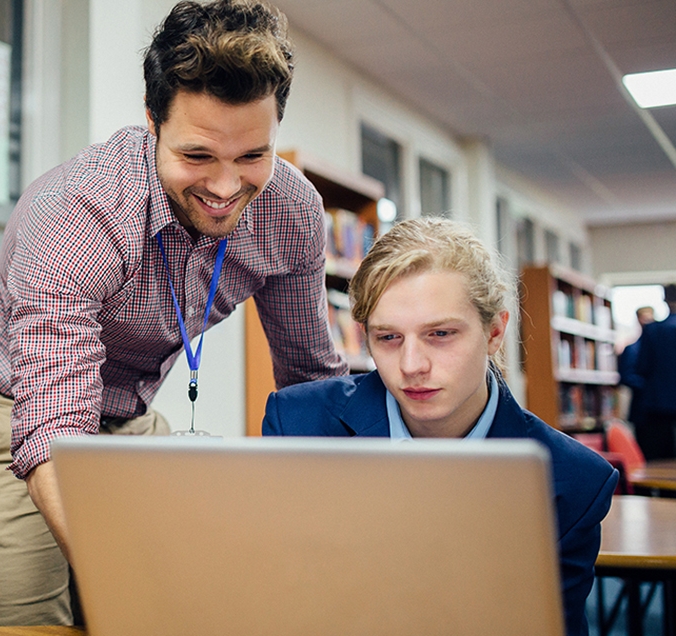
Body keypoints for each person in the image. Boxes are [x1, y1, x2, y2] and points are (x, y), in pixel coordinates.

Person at [0, 0, 347, 626]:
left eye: (251, 157)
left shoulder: (291, 210)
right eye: (197, 157)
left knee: (184, 607)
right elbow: (53, 429)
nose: (223, 188)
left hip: (127, 415)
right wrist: (127, 575)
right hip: (12, 411)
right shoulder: (79, 212)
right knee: (38, 626)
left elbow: (312, 379)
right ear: (152, 121)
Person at [262, 217, 617, 636]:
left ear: (495, 332)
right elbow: (279, 597)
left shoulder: (572, 480)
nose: (412, 366)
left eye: (440, 334)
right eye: (388, 338)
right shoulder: (299, 422)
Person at [635, 285, 676, 460]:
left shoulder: (653, 331)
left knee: (657, 460)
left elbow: (642, 367)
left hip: (657, 407)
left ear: (665, 300)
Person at [617, 306, 654, 450]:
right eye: (644, 318)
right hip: (642, 408)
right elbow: (625, 376)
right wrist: (648, 386)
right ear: (638, 320)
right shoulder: (632, 349)